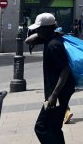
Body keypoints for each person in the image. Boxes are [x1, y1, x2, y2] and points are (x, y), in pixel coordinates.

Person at [28, 13, 75, 143]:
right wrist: (44, 33)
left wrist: (53, 96)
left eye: (39, 28)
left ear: (47, 28)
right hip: (61, 91)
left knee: (41, 127)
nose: (36, 30)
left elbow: (65, 70)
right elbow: (28, 40)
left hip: (58, 93)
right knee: (54, 127)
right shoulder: (50, 38)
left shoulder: (54, 44)